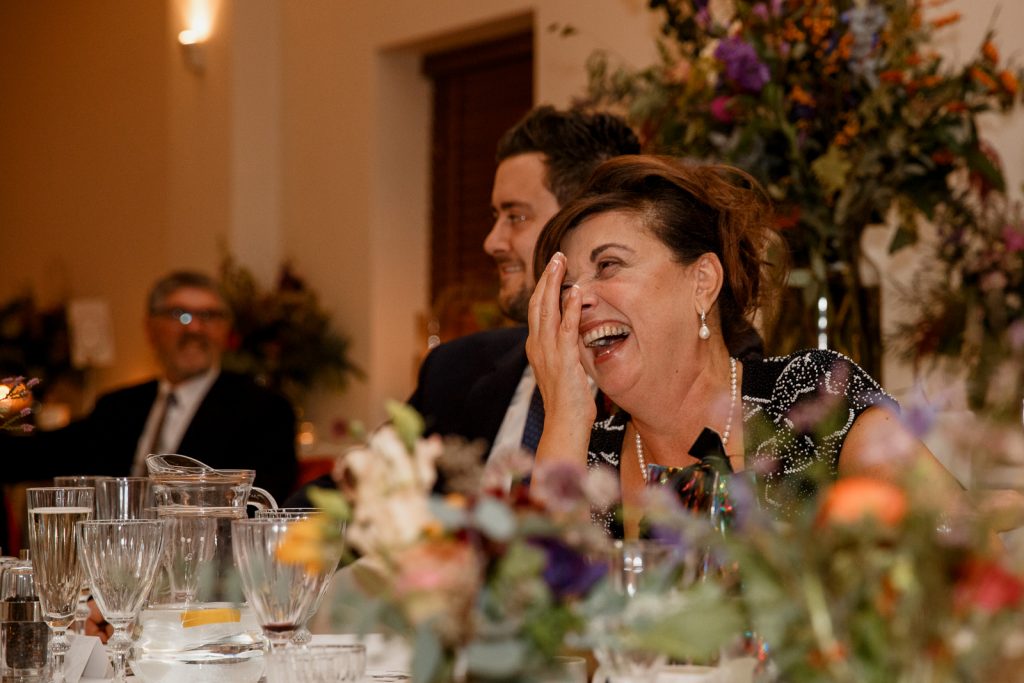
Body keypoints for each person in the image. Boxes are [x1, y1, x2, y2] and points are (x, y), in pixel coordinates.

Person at [525, 155, 968, 537]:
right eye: (566, 285)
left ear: (702, 283)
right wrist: (564, 416)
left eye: (608, 265)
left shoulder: (810, 398)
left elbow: (952, 541)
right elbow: (531, 618)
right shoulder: (581, 453)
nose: (576, 300)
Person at [407, 105, 641, 455]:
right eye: (495, 215)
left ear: (580, 221)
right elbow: (351, 487)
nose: (491, 242)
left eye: (516, 216)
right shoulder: (453, 370)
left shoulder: (644, 382)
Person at [4, 271, 298, 504]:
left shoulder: (264, 411)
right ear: (150, 328)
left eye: (209, 317)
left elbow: (262, 504)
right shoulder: (119, 407)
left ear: (226, 332)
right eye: (180, 315)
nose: (195, 328)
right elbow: (44, 455)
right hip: (113, 561)